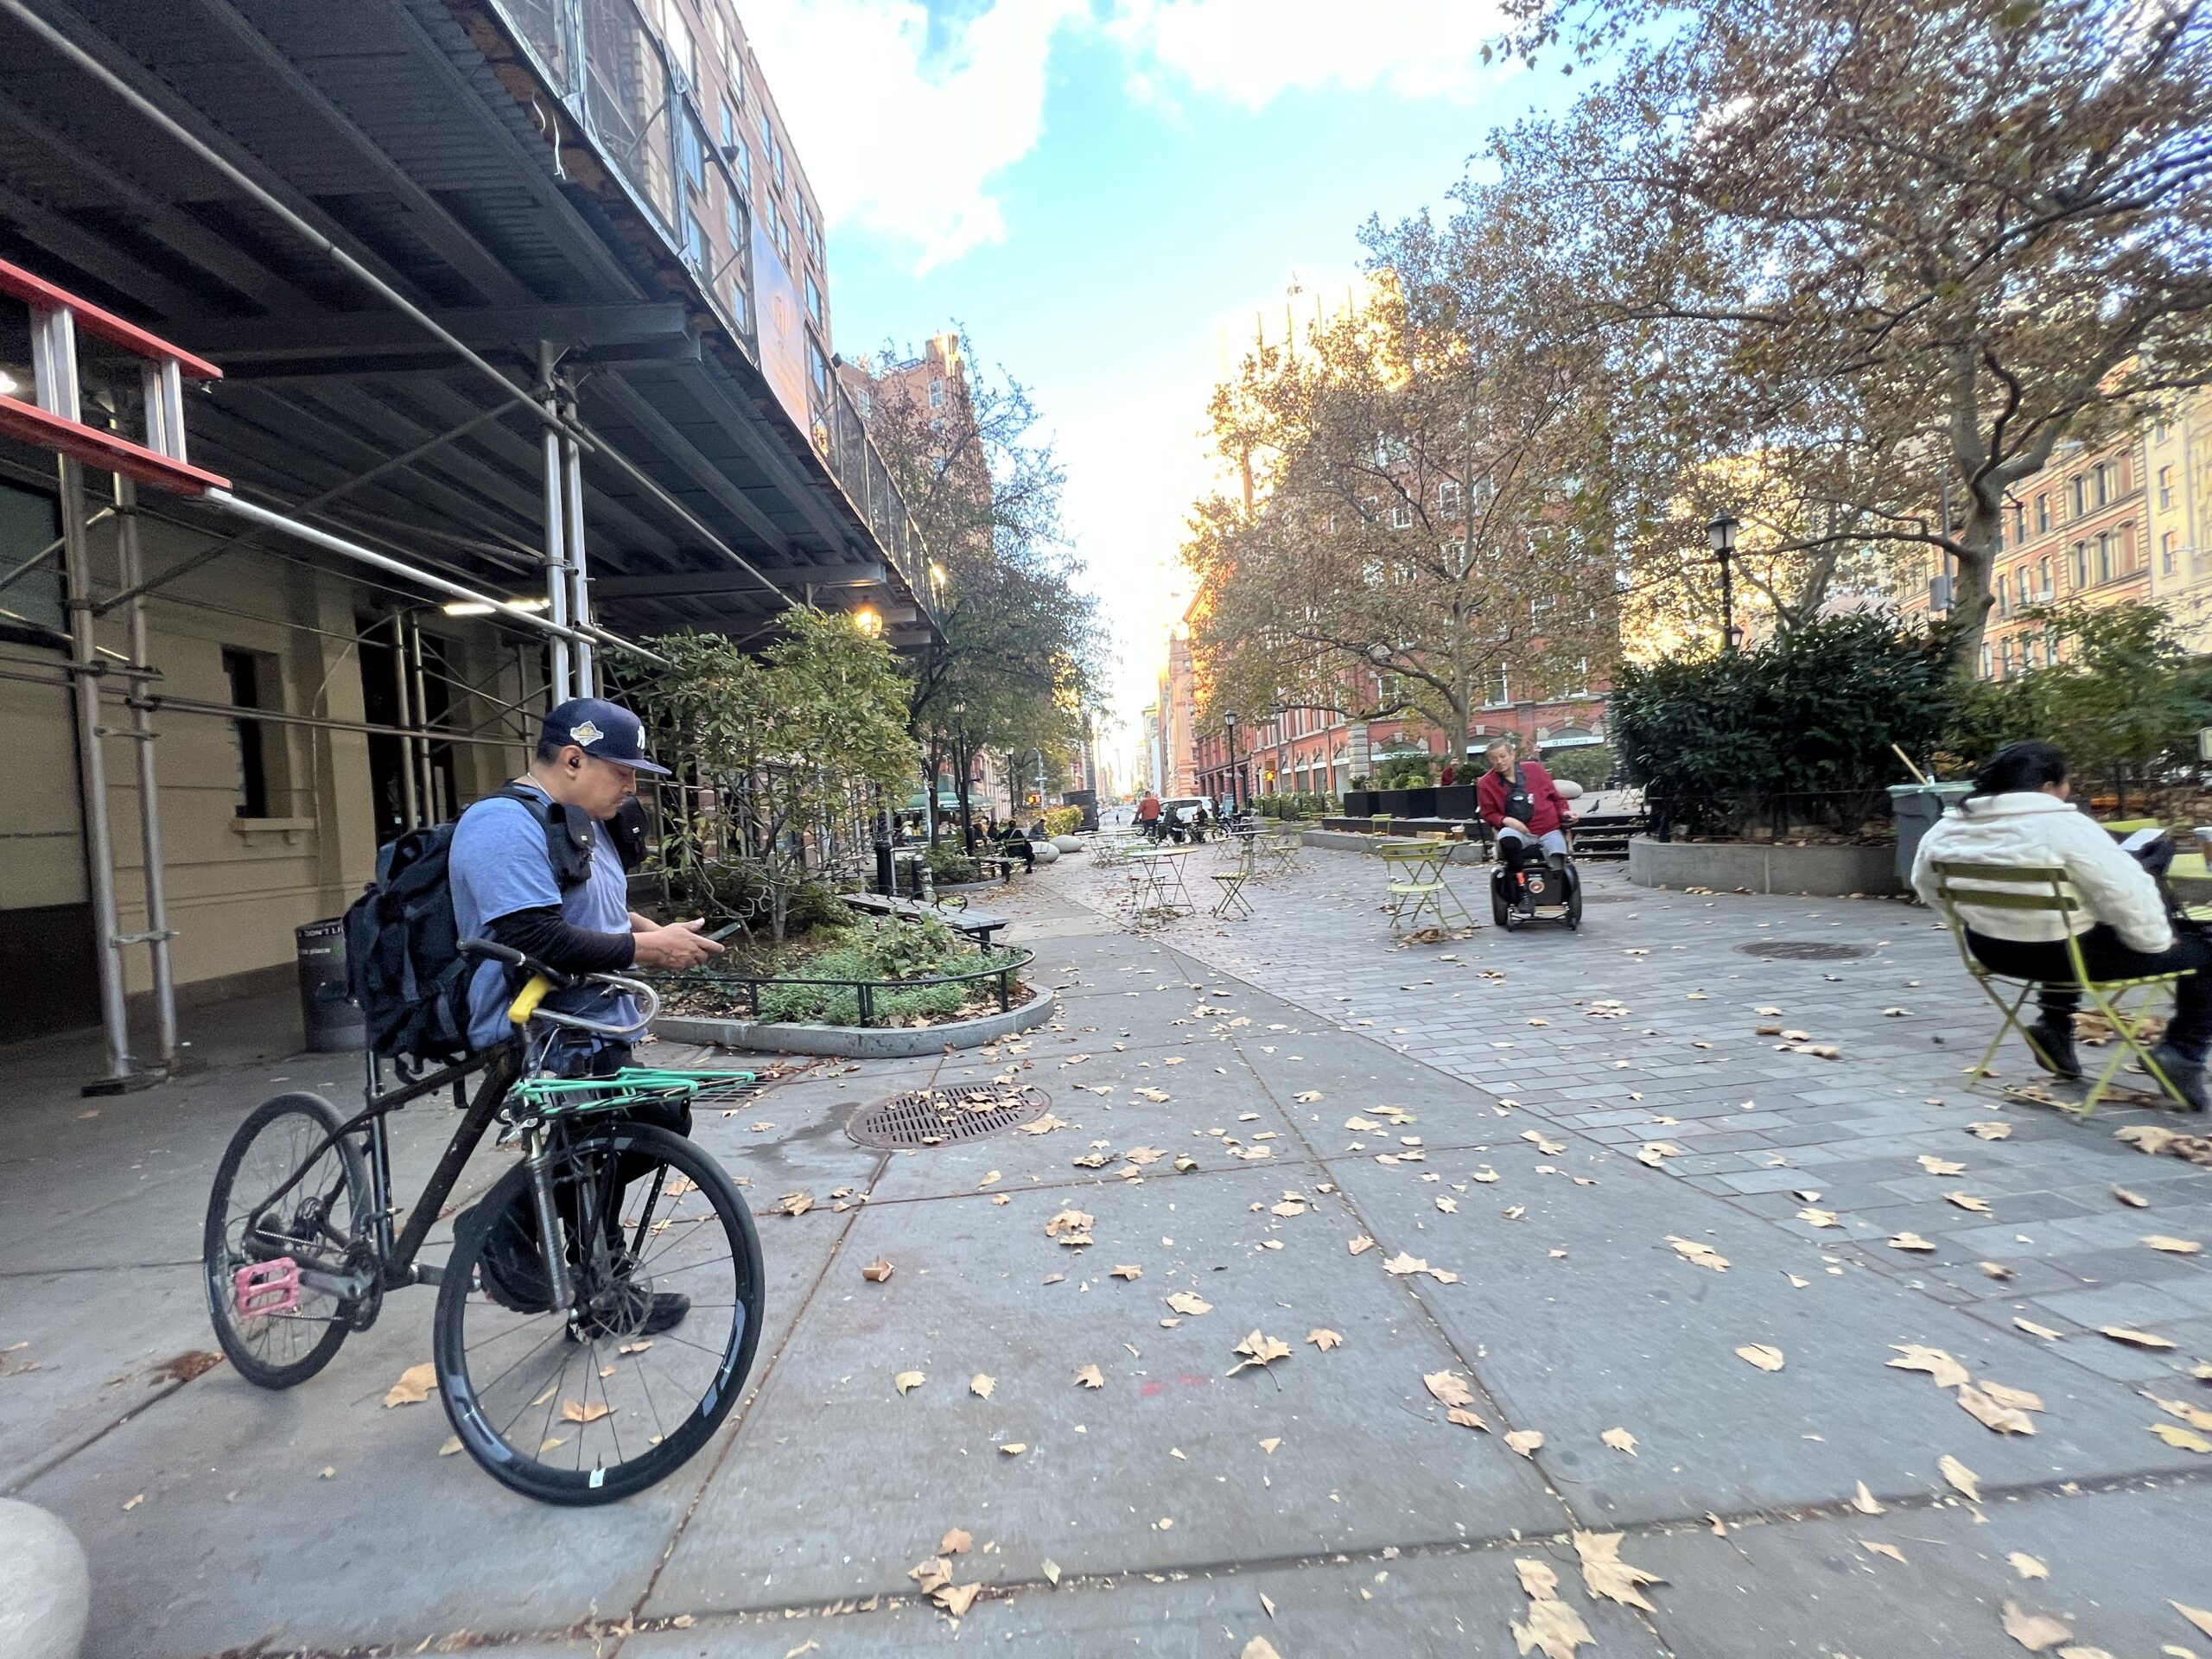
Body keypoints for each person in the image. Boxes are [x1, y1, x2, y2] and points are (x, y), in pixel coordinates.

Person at [448, 696, 726, 1327]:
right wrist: (646, 948)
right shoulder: (500, 824)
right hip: (536, 1031)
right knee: (601, 1144)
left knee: (640, 1130)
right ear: (573, 759)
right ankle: (499, 1225)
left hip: (593, 1023)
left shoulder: (582, 821)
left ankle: (603, 1288)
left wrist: (650, 929)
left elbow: (585, 906)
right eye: (622, 772)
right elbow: (533, 935)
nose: (632, 787)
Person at [1911, 740, 2211, 1109]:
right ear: (2048, 787)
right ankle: (2182, 1053)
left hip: (1990, 950)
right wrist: (2157, 943)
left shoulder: (1945, 829)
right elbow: (2129, 895)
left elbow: (1926, 886)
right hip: (2067, 956)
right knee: (2204, 948)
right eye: (2066, 782)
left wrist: (1981, 917)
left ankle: (2054, 1026)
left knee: (2068, 928)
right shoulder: (2065, 827)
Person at [1476, 741, 1575, 871]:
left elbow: (1556, 798)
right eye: (1494, 758)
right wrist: (1507, 820)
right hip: (1516, 831)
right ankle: (1518, 879)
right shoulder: (1485, 783)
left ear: (1512, 755)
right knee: (1507, 838)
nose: (1499, 761)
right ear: (1490, 759)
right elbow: (1488, 813)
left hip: (1548, 829)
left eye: (1503, 756)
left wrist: (1565, 813)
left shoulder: (1534, 769)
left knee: (1559, 867)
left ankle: (1557, 884)